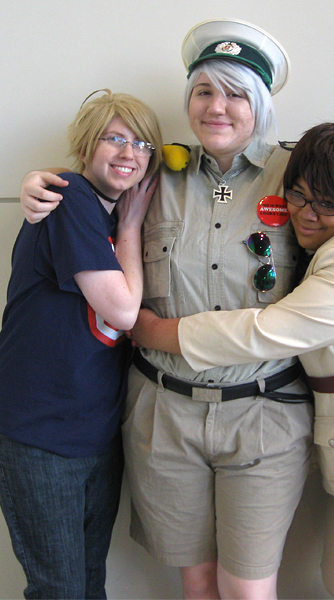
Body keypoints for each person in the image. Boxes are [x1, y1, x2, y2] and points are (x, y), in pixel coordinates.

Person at [18, 19, 334, 600]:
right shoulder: (154, 172)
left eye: (236, 94)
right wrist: (40, 180)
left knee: (247, 589)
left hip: (265, 416)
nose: (217, 107)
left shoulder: (296, 172)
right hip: (164, 415)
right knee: (198, 583)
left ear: (260, 103)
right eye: (204, 91)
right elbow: (91, 181)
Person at [130, 120, 334, 600]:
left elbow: (266, 331)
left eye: (327, 205)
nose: (306, 213)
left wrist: (153, 331)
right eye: (297, 195)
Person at [0, 89, 162, 599]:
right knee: (61, 589)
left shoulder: (105, 210)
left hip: (95, 431)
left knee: (88, 582)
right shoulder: (70, 197)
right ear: (87, 145)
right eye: (114, 138)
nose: (129, 153)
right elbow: (123, 311)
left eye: (141, 144)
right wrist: (132, 225)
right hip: (41, 433)